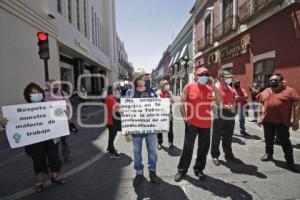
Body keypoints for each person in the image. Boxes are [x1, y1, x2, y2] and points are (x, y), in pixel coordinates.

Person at [174, 67, 222, 182]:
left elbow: (219, 102)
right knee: (187, 149)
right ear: (195, 76)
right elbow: (181, 103)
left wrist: (214, 87)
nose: (204, 76)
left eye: (206, 74)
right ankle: (182, 170)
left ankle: (199, 169)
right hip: (192, 124)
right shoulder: (189, 87)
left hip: (206, 124)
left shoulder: (210, 89)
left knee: (203, 149)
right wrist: (186, 119)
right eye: (201, 74)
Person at [23, 82, 66, 192]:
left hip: (51, 138)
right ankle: (39, 181)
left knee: (55, 158)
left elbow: (59, 117)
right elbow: (16, 124)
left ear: (42, 94)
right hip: (35, 140)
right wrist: (5, 123)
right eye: (33, 93)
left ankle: (55, 176)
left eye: (38, 92)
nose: (36, 94)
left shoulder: (49, 105)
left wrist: (63, 114)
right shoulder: (23, 110)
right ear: (28, 96)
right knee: (38, 160)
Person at [257, 73, 300, 172]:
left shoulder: (289, 91)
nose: (272, 81)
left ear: (281, 81)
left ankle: (290, 162)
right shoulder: (265, 91)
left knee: (285, 142)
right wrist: (259, 117)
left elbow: (297, 105)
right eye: (271, 80)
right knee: (268, 140)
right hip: (267, 121)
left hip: (282, 122)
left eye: (275, 80)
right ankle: (268, 154)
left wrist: (296, 120)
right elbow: (261, 104)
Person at [125, 68, 160, 186]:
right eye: (142, 77)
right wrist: (121, 110)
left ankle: (152, 172)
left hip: (151, 129)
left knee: (152, 152)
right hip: (136, 129)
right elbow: (126, 110)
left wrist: (165, 110)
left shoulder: (152, 92)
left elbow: (158, 108)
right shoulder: (130, 93)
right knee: (137, 152)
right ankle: (139, 173)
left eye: (146, 77)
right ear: (136, 80)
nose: (145, 79)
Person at [211, 70, 239, 166]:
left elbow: (234, 100)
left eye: (230, 77)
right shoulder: (216, 88)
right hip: (219, 114)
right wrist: (225, 107)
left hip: (230, 115)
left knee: (228, 136)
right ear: (221, 78)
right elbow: (213, 104)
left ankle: (228, 154)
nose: (230, 79)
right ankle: (215, 155)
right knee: (216, 136)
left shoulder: (230, 88)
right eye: (228, 77)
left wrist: (233, 106)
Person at [45, 79, 73, 163]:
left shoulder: (63, 94)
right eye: (53, 85)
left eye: (57, 85)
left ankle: (66, 157)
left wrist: (70, 118)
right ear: (49, 86)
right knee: (53, 143)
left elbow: (69, 107)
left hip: (63, 123)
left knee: (65, 142)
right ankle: (55, 159)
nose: (55, 87)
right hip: (52, 124)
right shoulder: (45, 96)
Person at [156, 80, 174, 150]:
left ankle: (171, 142)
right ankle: (159, 142)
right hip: (160, 113)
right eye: (165, 84)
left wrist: (171, 102)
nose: (167, 85)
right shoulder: (157, 93)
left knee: (170, 128)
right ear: (161, 86)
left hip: (169, 113)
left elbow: (172, 101)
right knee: (160, 129)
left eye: (167, 84)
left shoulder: (170, 93)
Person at [105, 85, 121, 158]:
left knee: (111, 135)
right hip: (111, 120)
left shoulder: (110, 98)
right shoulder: (110, 99)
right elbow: (115, 109)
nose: (116, 91)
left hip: (110, 120)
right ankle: (112, 150)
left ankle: (109, 147)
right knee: (112, 135)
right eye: (115, 90)